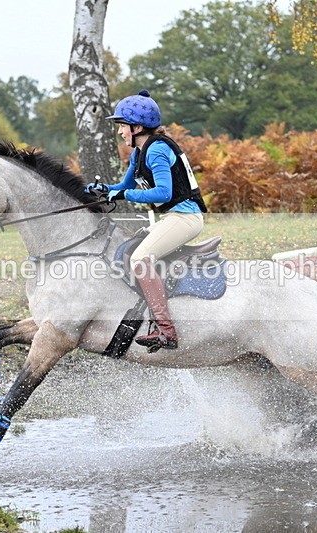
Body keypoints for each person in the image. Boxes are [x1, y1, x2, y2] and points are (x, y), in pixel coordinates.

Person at [86, 90, 207, 351]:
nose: (119, 132)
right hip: (174, 217)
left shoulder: (157, 150)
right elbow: (123, 185)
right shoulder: (138, 154)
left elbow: (164, 192)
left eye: (122, 126)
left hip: (186, 217)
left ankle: (166, 330)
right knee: (130, 249)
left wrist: (123, 193)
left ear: (137, 127)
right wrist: (104, 189)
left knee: (140, 259)